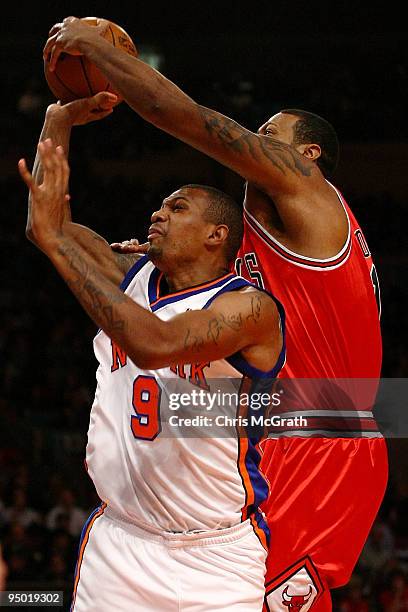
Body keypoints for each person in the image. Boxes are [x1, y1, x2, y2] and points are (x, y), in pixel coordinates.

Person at [43, 18, 389, 610]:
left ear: (307, 154)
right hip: (267, 417)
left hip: (320, 430)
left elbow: (187, 119)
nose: (251, 141)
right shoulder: (254, 239)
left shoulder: (310, 192)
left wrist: (98, 50)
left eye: (267, 132)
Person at [18, 103, 285, 610]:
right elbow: (45, 226)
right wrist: (58, 119)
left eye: (177, 207)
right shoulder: (129, 273)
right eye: (160, 205)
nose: (158, 213)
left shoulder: (249, 308)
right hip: (118, 541)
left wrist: (57, 242)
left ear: (216, 235)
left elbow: (155, 344)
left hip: (215, 556)